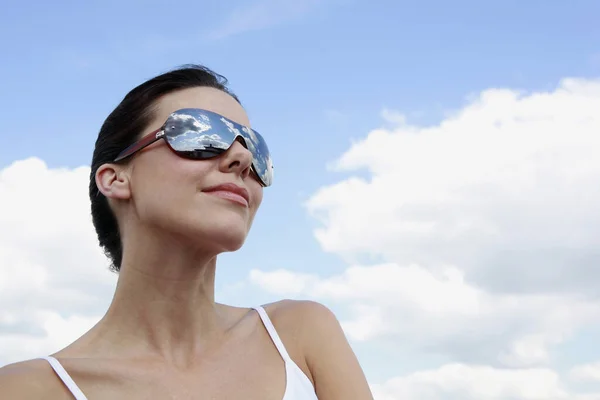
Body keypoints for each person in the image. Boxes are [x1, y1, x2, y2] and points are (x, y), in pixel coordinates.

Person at [0, 65, 374, 399]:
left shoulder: (300, 335)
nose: (241, 158)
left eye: (255, 149)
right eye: (201, 134)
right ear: (115, 179)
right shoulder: (27, 388)